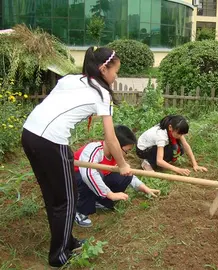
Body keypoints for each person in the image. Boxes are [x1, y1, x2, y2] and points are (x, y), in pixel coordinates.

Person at [21, 46, 131, 267]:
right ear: (103, 69)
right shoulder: (101, 93)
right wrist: (123, 164)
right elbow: (110, 139)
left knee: (56, 196)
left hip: (29, 134)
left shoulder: (71, 79)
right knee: (66, 200)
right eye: (115, 70)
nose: (116, 75)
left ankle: (67, 242)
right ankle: (59, 257)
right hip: (51, 141)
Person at [74, 125, 160, 227]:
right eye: (126, 151)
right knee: (95, 175)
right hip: (74, 181)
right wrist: (110, 194)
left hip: (95, 180)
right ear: (116, 145)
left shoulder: (115, 156)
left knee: (124, 175)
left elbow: (128, 174)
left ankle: (99, 201)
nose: (127, 154)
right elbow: (88, 175)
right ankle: (80, 210)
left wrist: (145, 188)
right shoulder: (94, 150)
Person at [136, 115, 207, 176]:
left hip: (151, 146)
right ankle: (147, 163)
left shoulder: (174, 128)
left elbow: (186, 145)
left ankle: (158, 161)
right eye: (179, 134)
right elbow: (159, 161)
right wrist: (177, 169)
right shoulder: (161, 136)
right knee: (172, 151)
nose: (180, 136)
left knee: (179, 150)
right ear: (170, 127)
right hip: (142, 150)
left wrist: (195, 164)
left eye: (182, 134)